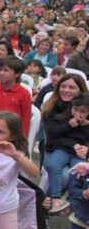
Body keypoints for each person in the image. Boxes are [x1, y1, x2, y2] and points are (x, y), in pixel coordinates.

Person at [42, 80, 89, 213]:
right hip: (58, 148)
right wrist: (69, 127)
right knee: (56, 168)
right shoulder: (58, 113)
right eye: (63, 86)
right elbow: (53, 135)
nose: (78, 114)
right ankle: (54, 199)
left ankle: (71, 202)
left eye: (72, 87)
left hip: (78, 154)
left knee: (79, 171)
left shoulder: (85, 118)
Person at [0, 56, 32, 137]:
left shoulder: (24, 94)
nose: (1, 73)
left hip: (11, 137)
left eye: (6, 70)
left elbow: (25, 121)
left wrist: (21, 142)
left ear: (17, 74)